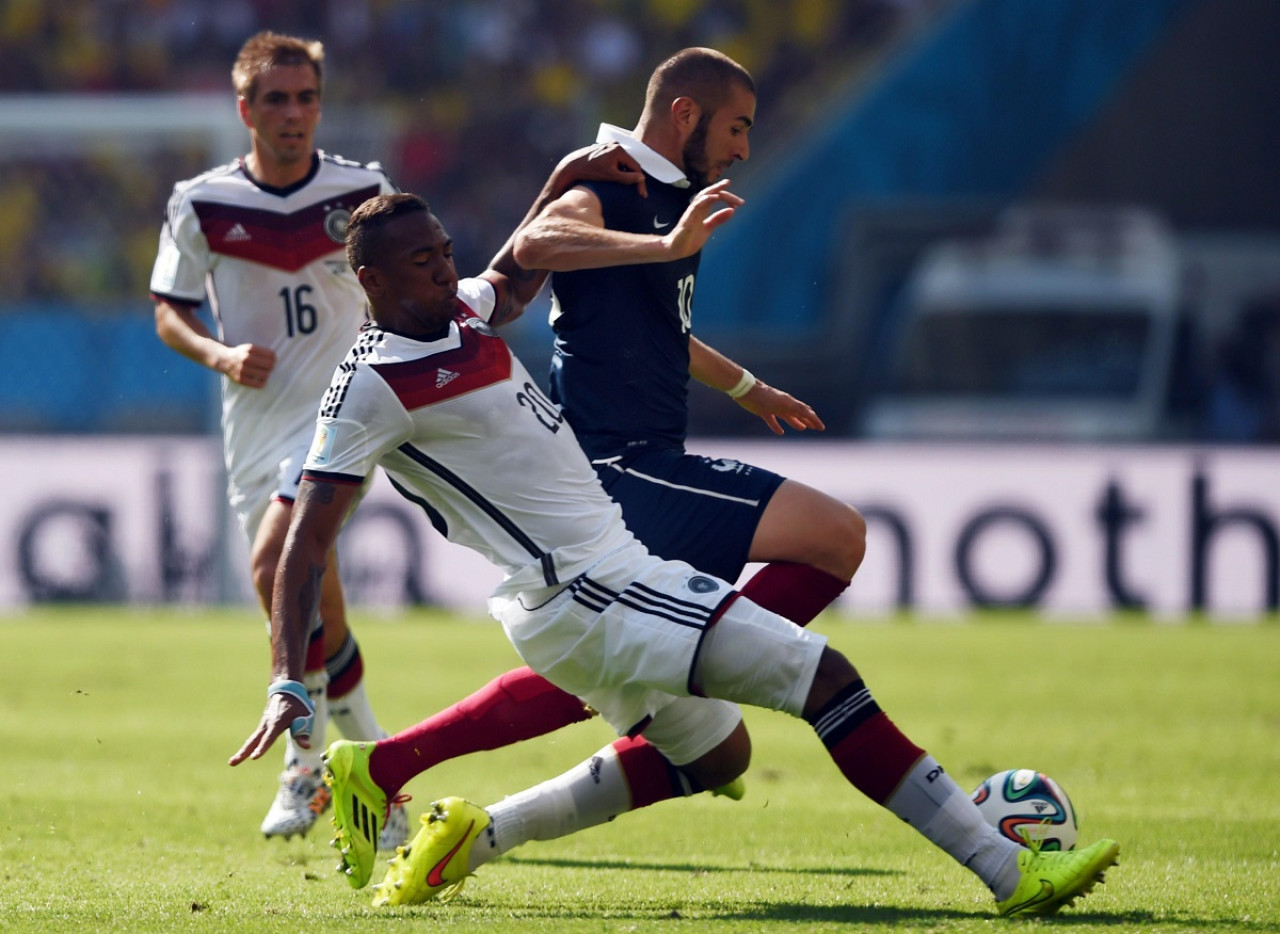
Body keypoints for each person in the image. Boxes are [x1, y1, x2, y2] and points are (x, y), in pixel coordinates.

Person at [230, 192, 1120, 918]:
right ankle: (1011, 875)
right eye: (420, 260)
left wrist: (578, 178)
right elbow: (307, 545)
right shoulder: (369, 388)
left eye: (442, 248)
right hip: (595, 588)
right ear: (368, 278)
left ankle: (470, 829)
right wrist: (287, 679)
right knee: (826, 680)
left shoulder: (457, 314)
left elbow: (518, 267)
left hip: (584, 596)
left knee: (716, 759)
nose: (441, 266)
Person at [298, 46, 872, 802]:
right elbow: (535, 247)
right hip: (620, 462)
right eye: (737, 126)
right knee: (835, 538)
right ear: (685, 114)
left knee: (645, 692)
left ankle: (391, 763)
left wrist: (743, 385)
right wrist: (663, 243)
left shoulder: (663, 193)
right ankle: (718, 669)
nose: (743, 147)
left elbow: (652, 322)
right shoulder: (617, 184)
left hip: (643, 455)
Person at [148, 30, 405, 846]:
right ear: (245, 109)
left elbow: (414, 286)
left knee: (273, 563)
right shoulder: (203, 202)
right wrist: (219, 352)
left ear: (319, 105)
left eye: (306, 98)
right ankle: (375, 768)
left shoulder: (364, 192)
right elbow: (169, 309)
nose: (293, 114)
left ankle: (305, 765)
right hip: (253, 425)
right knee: (315, 595)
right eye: (275, 100)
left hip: (347, 412)